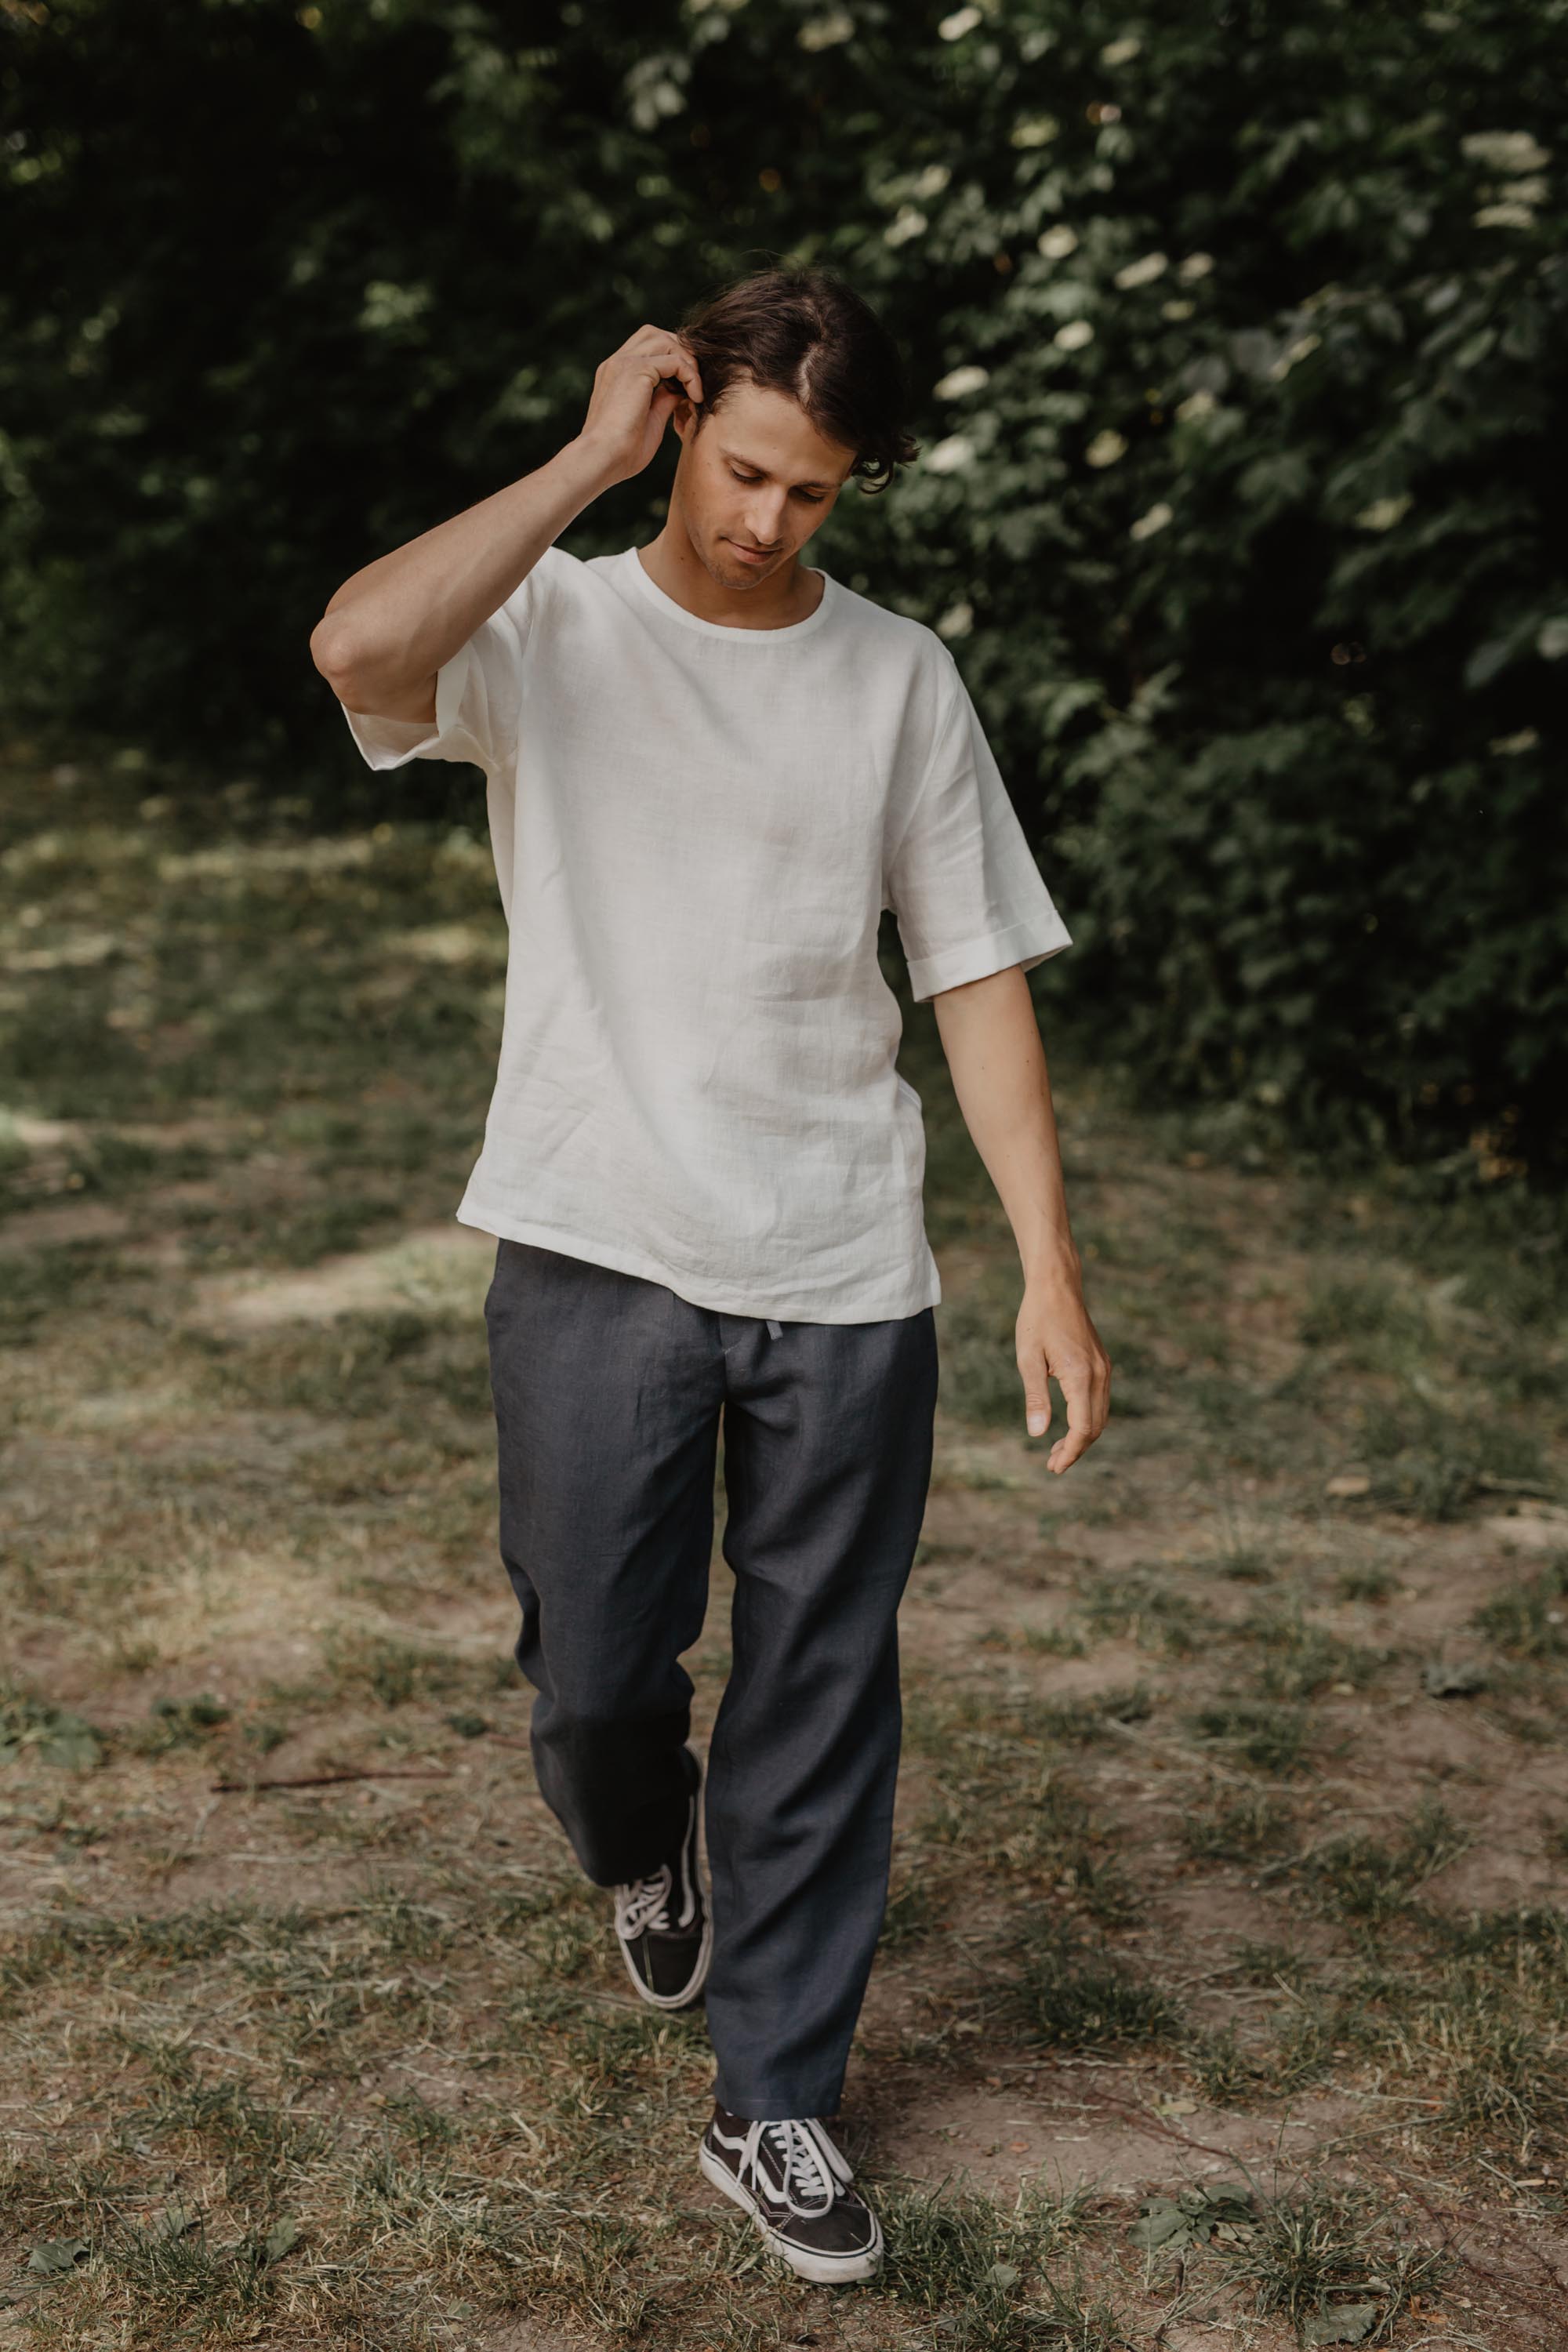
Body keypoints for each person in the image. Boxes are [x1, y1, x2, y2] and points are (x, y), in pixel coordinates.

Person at [309, 264, 1111, 2288]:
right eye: (746, 472)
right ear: (688, 426)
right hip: (599, 1236)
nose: (769, 524)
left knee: (825, 1689)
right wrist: (586, 461)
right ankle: (640, 1831)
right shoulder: (553, 626)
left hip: (843, 1262)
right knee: (594, 1670)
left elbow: (979, 977)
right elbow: (353, 649)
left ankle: (777, 2101)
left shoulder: (901, 682)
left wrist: (1045, 1264)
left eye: (816, 495)